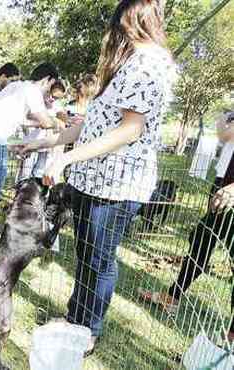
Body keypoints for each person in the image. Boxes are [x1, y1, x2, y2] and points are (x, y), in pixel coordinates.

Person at [17, 0, 177, 355]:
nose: (114, 35)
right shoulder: (129, 64)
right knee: (88, 255)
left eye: (119, 27)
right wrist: (46, 142)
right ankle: (77, 317)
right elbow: (93, 126)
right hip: (94, 180)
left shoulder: (148, 64)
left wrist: (66, 159)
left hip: (117, 184)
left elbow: (130, 130)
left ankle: (89, 328)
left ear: (133, 23)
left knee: (100, 259)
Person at [139, 109, 234, 344]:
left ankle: (232, 335)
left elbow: (224, 133)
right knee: (201, 241)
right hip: (224, 186)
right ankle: (172, 297)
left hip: (231, 192)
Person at [0, 63, 63, 234]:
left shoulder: (16, 86)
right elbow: (44, 121)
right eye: (51, 85)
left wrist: (43, 123)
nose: (49, 90)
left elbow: (23, 119)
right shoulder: (34, 91)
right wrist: (57, 123)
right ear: (47, 79)